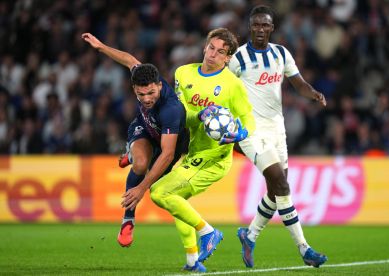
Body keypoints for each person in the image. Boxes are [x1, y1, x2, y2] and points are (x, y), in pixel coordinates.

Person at [121, 28, 255, 272]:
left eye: (221, 52)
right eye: (211, 48)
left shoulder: (233, 85)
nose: (214, 54)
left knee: (160, 193)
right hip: (189, 150)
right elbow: (181, 117)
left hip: (213, 156)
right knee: (175, 199)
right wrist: (200, 114)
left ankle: (209, 232)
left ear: (228, 58)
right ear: (205, 47)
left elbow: (249, 119)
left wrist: (243, 133)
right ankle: (193, 261)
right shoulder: (184, 73)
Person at [228, 5, 328, 268]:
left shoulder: (281, 53)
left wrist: (314, 94)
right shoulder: (238, 58)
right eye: (256, 25)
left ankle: (249, 236)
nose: (260, 29)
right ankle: (304, 249)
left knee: (276, 190)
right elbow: (224, 91)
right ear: (250, 27)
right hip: (251, 130)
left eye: (265, 25)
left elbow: (299, 84)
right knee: (282, 186)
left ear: (272, 28)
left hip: (276, 128)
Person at [82, 33, 189, 248]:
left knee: (153, 185)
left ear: (159, 85)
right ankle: (127, 220)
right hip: (146, 128)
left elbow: (168, 154)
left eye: (151, 92)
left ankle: (129, 155)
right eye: (141, 95)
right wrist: (101, 46)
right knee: (140, 165)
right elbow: (129, 60)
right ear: (134, 89)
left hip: (170, 144)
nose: (147, 98)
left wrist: (141, 189)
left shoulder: (172, 109)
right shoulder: (141, 76)